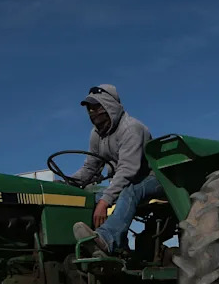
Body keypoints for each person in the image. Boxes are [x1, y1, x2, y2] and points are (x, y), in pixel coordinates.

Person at [69, 84, 162, 253]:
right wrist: (69, 184)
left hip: (153, 179)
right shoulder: (96, 134)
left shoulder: (131, 128)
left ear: (109, 106)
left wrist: (105, 202)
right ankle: (116, 250)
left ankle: (107, 238)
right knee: (89, 196)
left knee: (129, 190)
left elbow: (128, 170)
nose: (92, 112)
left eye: (97, 107)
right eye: (89, 108)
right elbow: (90, 167)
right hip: (125, 181)